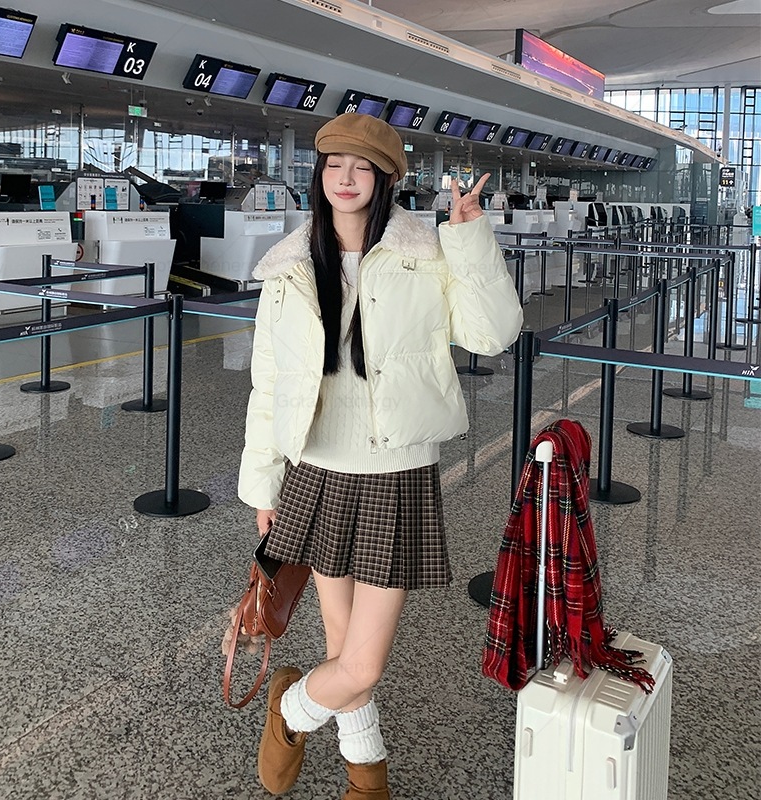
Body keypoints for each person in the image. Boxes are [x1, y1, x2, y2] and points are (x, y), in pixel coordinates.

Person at [238, 112, 523, 799]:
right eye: (334, 164)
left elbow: (493, 334)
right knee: (344, 650)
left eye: (362, 167)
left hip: (396, 473)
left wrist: (468, 235)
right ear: (319, 173)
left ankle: (291, 709)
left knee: (361, 665)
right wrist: (262, 485)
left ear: (386, 178)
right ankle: (367, 775)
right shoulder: (289, 267)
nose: (346, 178)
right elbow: (268, 383)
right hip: (316, 471)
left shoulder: (425, 252)